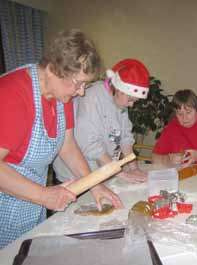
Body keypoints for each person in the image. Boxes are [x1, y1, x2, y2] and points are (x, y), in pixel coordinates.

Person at [0, 29, 121, 248]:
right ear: (52, 69)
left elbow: (68, 145)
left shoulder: (60, 95)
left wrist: (93, 184)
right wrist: (44, 195)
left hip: (31, 205)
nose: (81, 92)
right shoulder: (12, 95)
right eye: (78, 83)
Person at [53, 58, 149, 185]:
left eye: (134, 101)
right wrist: (119, 173)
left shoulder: (120, 101)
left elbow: (125, 137)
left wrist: (134, 168)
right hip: (74, 176)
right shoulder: (91, 98)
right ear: (118, 88)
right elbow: (90, 145)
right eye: (130, 99)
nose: (131, 105)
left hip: (102, 172)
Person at [152, 89, 197, 167]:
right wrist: (168, 159)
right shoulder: (170, 128)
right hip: (181, 173)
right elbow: (154, 158)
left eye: (188, 112)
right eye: (180, 114)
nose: (184, 118)